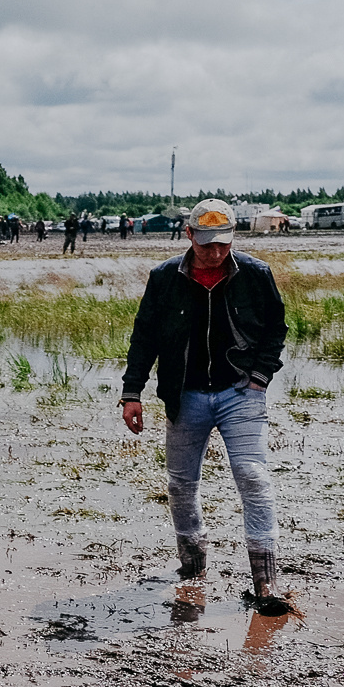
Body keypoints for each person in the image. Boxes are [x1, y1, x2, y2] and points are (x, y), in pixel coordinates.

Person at [120, 199, 289, 611]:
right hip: (185, 396)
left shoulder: (255, 274)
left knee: (252, 476)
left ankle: (265, 582)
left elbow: (276, 329)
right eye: (206, 244)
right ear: (189, 235)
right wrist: (132, 393)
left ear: (233, 238)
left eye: (223, 244)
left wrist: (259, 378)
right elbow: (145, 337)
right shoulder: (164, 278)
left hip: (240, 393)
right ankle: (193, 566)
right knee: (181, 485)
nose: (215, 253)